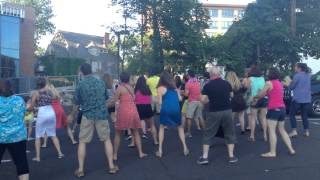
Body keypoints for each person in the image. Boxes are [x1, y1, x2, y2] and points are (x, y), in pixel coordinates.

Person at [71, 63, 118, 177]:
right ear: (91, 71)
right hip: (101, 115)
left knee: (82, 141)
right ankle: (111, 166)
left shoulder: (80, 85)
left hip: (87, 115)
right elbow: (106, 98)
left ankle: (81, 170)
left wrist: (72, 115)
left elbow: (76, 103)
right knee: (106, 140)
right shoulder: (100, 82)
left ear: (82, 72)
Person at [198, 66, 238, 165]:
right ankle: (231, 156)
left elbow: (203, 100)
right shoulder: (227, 83)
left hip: (213, 112)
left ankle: (205, 157)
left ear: (211, 74)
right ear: (219, 74)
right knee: (229, 132)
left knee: (208, 133)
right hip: (227, 111)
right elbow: (231, 95)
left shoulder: (208, 85)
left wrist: (209, 99)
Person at [254, 68, 296, 157]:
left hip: (273, 109)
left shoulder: (269, 83)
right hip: (282, 109)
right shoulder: (279, 83)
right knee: (282, 130)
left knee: (272, 131)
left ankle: (272, 152)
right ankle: (291, 149)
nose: (266, 73)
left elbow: (261, 95)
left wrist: (255, 96)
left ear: (271, 74)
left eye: (268, 72)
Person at [111, 72, 147, 160]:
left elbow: (115, 100)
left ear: (120, 78)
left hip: (123, 110)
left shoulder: (119, 88)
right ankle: (140, 153)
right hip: (133, 110)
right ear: (128, 78)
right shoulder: (131, 87)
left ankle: (115, 155)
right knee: (135, 132)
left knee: (118, 133)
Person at [28, 78, 64, 162]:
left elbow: (32, 105)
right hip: (51, 112)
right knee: (53, 134)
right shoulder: (50, 91)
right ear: (44, 84)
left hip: (42, 113)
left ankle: (38, 157)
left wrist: (28, 109)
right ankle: (60, 153)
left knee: (38, 136)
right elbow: (56, 98)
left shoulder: (36, 93)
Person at [0, 79, 29, 180]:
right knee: (21, 163)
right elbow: (23, 115)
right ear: (11, 87)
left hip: (1, 136)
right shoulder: (19, 100)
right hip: (18, 136)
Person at [156, 72, 189, 158]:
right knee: (180, 127)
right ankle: (185, 148)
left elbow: (159, 102)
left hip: (166, 109)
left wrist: (160, 106)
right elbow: (180, 99)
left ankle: (160, 150)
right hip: (176, 109)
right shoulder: (175, 88)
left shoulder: (160, 88)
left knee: (162, 127)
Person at [288, 63, 312, 137]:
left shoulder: (297, 76)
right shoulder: (308, 75)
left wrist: (288, 83)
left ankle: (294, 131)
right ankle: (306, 131)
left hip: (297, 99)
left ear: (299, 68)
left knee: (291, 114)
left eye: (295, 67)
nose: (294, 68)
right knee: (304, 115)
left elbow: (291, 87)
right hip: (307, 98)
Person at [135, 76, 158, 145]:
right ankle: (155, 141)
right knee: (152, 125)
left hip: (139, 106)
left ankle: (143, 132)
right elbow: (151, 99)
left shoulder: (136, 90)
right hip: (148, 106)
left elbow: (134, 99)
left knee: (142, 120)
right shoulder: (147, 89)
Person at [247, 68, 268, 142]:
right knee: (263, 117)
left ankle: (252, 135)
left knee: (253, 117)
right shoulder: (262, 79)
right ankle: (265, 135)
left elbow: (248, 90)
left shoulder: (250, 79)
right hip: (263, 99)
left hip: (254, 99)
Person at [185, 70, 205, 138]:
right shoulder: (198, 81)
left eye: (187, 75)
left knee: (189, 117)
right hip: (199, 101)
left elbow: (186, 94)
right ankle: (206, 133)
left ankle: (189, 133)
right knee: (200, 116)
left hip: (192, 102)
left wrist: (181, 93)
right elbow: (201, 90)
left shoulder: (188, 83)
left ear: (189, 75)